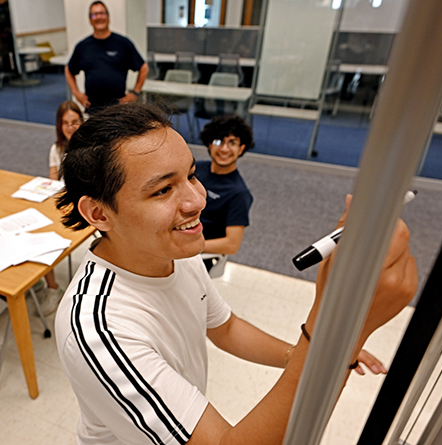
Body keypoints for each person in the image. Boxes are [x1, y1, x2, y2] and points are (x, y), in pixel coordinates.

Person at [54, 102, 417, 445]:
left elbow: (225, 327)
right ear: (99, 214)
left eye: (191, 175)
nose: (198, 200)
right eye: (164, 189)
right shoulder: (98, 330)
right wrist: (335, 328)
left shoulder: (175, 252)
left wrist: (303, 355)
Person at [34, 101, 85, 317]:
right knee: (39, 229)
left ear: (82, 122)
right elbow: (53, 182)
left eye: (75, 122)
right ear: (59, 125)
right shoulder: (56, 149)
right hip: (64, 200)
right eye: (65, 123)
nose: (70, 127)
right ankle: (51, 286)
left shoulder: (90, 148)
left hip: (84, 202)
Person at [65, 1, 149, 115]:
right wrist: (76, 93)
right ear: (90, 20)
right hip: (93, 109)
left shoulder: (123, 43)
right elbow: (68, 70)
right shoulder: (83, 46)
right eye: (94, 14)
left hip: (118, 109)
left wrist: (135, 93)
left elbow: (144, 68)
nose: (99, 17)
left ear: (108, 18)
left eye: (102, 13)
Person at [197, 115, 253, 272]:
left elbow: (231, 245)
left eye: (232, 143)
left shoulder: (238, 193)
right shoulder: (197, 169)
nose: (224, 149)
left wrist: (186, 247)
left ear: (241, 148)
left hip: (195, 255)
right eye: (218, 141)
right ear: (209, 144)